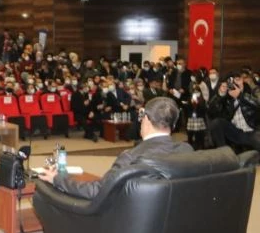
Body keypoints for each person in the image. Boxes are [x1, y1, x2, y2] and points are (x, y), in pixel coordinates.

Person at [39, 97, 193, 199]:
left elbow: (97, 191)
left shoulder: (131, 157)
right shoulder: (186, 151)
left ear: (145, 119)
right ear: (173, 124)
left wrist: (58, 179)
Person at [207, 74, 260, 153]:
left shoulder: (252, 92)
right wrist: (220, 94)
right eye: (232, 82)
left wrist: (240, 95)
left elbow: (257, 103)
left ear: (242, 80)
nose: (235, 84)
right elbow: (211, 111)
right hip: (236, 132)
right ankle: (224, 153)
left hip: (252, 131)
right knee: (216, 123)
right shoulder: (228, 99)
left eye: (237, 80)